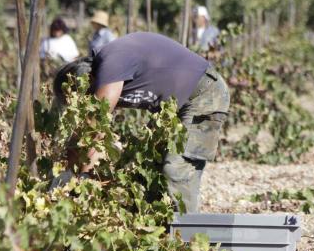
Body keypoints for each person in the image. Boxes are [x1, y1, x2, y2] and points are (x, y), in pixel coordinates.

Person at [53, 32, 230, 213]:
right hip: (171, 110)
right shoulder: (108, 78)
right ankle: (162, 232)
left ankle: (186, 235)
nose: (81, 106)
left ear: (85, 81)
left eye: (78, 99)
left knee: (176, 170)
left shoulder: (111, 63)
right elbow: (96, 139)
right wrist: (80, 177)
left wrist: (68, 176)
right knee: (150, 173)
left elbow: (93, 126)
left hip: (204, 93)